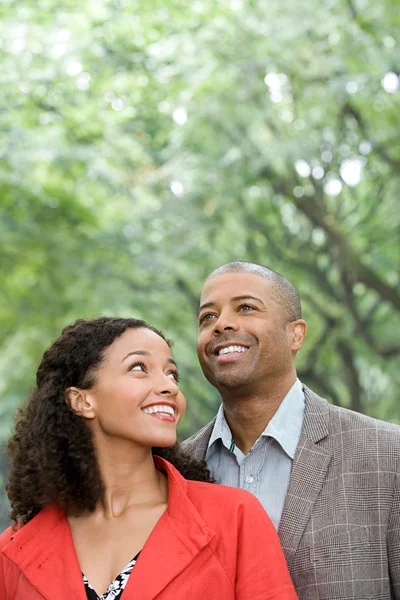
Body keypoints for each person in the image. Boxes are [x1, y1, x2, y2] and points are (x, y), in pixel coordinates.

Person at [0, 316, 298, 600]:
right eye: (139, 367)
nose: (170, 386)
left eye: (172, 373)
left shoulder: (235, 518)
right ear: (82, 400)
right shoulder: (13, 550)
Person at [183, 261, 400, 600]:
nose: (221, 323)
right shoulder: (175, 471)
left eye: (245, 307)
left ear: (296, 334)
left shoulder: (387, 454)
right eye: (207, 317)